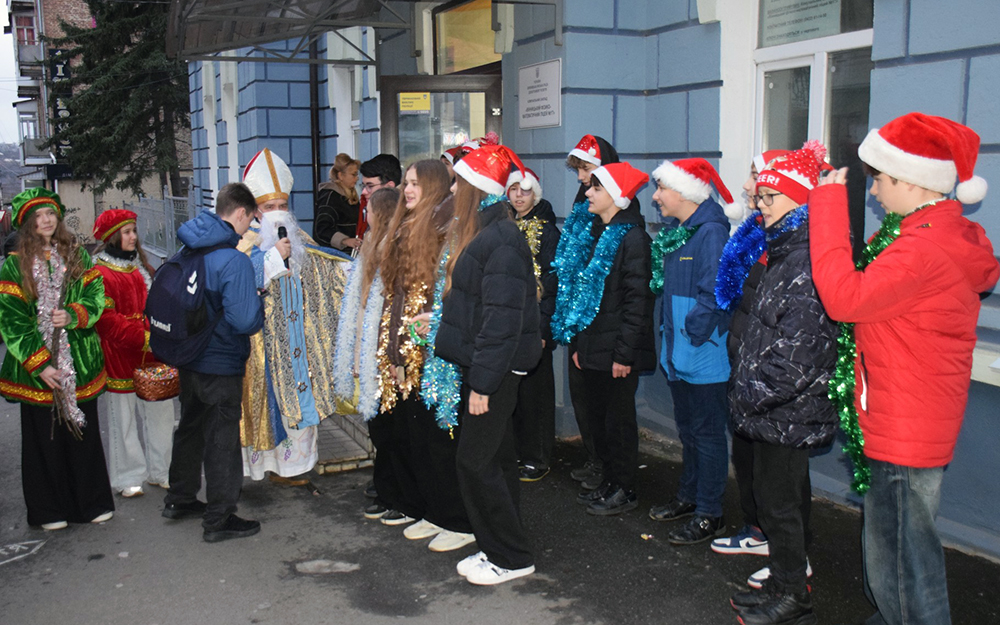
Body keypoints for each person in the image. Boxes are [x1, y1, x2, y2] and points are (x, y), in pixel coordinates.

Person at [811, 113, 999, 625]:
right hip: (908, 412)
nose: (873, 190)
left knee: (905, 555)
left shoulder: (921, 247)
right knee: (895, 545)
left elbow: (844, 298)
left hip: (905, 419)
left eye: (880, 179)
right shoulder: (931, 235)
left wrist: (827, 207)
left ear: (913, 181)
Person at [727, 142, 840, 625]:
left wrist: (750, 397)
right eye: (761, 195)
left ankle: (794, 596)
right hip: (771, 409)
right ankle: (780, 582)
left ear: (798, 199)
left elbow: (800, 353)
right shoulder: (785, 250)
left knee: (781, 507)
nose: (761, 204)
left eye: (770, 196)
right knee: (774, 504)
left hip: (784, 410)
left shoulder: (806, 259)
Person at [432, 145, 542, 585]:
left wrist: (482, 384)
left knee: (475, 463)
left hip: (494, 373)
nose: (451, 190)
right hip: (486, 367)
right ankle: (500, 545)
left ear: (475, 190)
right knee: (495, 459)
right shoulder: (487, 233)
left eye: (458, 183)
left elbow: (501, 321)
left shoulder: (502, 241)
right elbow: (479, 307)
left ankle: (510, 557)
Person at [374, 160, 476, 553]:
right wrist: (394, 351)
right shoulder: (408, 227)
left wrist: (414, 348)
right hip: (407, 348)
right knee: (417, 438)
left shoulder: (442, 231)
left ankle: (458, 519)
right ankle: (433, 510)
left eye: (416, 183)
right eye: (406, 183)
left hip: (434, 354)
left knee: (439, 439)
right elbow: (396, 300)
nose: (408, 189)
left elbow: (437, 299)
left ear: (434, 185)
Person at [0, 188, 112, 530]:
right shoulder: (14, 265)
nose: (46, 221)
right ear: (27, 224)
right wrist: (40, 365)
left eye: (50, 213)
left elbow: (97, 295)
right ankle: (49, 509)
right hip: (36, 368)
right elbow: (12, 321)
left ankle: (90, 503)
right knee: (43, 441)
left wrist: (75, 314)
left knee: (83, 435)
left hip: (79, 361)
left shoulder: (77, 256)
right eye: (38, 216)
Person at [238, 148, 352, 485]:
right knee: (266, 404)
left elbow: (324, 267)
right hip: (264, 347)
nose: (277, 213)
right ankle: (266, 467)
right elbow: (238, 281)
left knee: (300, 403)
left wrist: (351, 273)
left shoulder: (298, 237)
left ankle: (295, 469)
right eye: (268, 206)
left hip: (298, 342)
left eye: (282, 205)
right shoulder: (244, 241)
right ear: (254, 210)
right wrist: (271, 259)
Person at [161, 182, 264, 542]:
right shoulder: (233, 259)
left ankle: (180, 498)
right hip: (220, 360)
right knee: (222, 438)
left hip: (188, 356)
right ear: (241, 213)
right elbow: (245, 320)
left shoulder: (189, 246)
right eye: (250, 221)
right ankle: (220, 517)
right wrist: (257, 301)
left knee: (190, 427)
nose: (249, 229)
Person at [555, 162, 655, 517]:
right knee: (603, 421)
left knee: (619, 423)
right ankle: (610, 482)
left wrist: (624, 355)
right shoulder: (600, 233)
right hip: (595, 348)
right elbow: (586, 298)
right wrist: (580, 347)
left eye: (596, 188)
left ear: (617, 196)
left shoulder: (634, 239)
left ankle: (624, 488)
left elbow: (637, 304)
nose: (588, 193)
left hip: (617, 353)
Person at [645, 158, 734, 545]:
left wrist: (693, 335)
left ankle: (710, 513)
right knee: (689, 431)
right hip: (680, 351)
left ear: (685, 193)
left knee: (708, 434)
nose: (656, 196)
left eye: (661, 188)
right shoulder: (679, 231)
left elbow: (714, 293)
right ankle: (690, 496)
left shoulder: (711, 232)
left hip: (702, 351)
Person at [93, 209, 175, 499]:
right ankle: (128, 476)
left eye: (133, 231)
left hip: (153, 355)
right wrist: (145, 338)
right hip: (120, 355)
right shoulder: (100, 274)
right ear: (112, 237)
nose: (133, 237)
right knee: (124, 420)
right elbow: (107, 321)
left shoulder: (142, 267)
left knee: (161, 415)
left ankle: (162, 470)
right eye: (126, 232)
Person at [558, 134, 625, 489]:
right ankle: (594, 457)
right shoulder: (581, 204)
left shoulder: (619, 215)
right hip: (577, 316)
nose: (582, 178)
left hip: (600, 320)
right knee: (581, 394)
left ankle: (608, 466)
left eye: (587, 170)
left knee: (604, 404)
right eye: (579, 171)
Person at [333, 187, 402, 519]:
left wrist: (371, 354)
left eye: (369, 210)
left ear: (381, 214)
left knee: (388, 431)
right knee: (379, 428)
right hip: (368, 352)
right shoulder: (371, 245)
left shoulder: (392, 249)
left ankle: (393, 494)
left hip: (382, 356)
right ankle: (385, 488)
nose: (365, 215)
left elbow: (384, 310)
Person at [506, 167, 560, 482]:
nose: (519, 196)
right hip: (510, 323)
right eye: (513, 190)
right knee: (514, 394)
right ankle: (517, 451)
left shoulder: (547, 231)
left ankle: (537, 457)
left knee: (535, 396)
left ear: (535, 195)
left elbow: (551, 283)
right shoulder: (507, 225)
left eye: (525, 191)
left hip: (534, 324)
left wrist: (542, 328)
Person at [314, 153, 362, 252]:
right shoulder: (330, 197)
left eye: (357, 174)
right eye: (353, 174)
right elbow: (322, 229)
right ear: (340, 175)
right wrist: (344, 241)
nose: (357, 178)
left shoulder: (348, 195)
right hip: (336, 255)